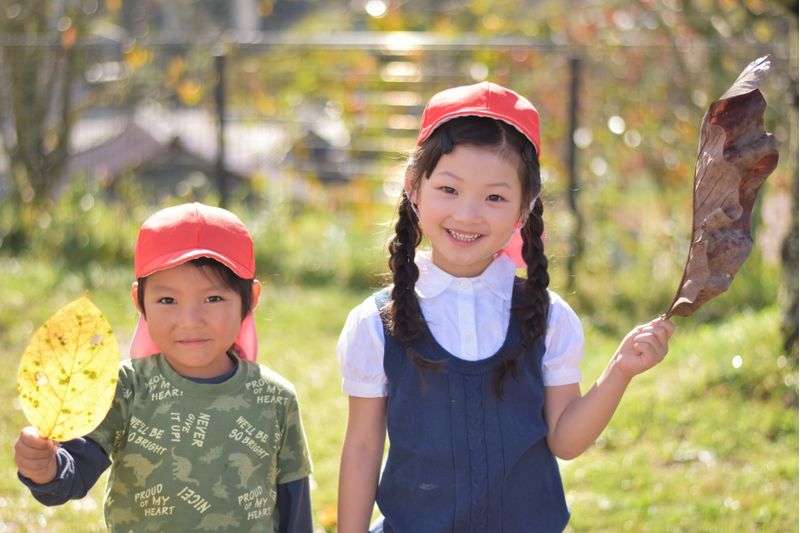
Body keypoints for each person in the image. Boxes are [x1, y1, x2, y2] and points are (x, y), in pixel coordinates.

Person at [336, 82, 675, 533]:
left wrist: (620, 370)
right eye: (449, 189)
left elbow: (565, 440)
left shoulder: (548, 318)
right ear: (414, 187)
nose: (468, 214)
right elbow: (361, 448)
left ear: (524, 208)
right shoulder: (375, 324)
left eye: (495, 197)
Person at [14, 202, 313, 532]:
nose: (190, 321)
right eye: (167, 300)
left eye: (213, 299)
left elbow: (295, 512)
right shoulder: (125, 388)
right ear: (139, 301)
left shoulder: (275, 399)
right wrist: (45, 468)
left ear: (251, 298)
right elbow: (74, 474)